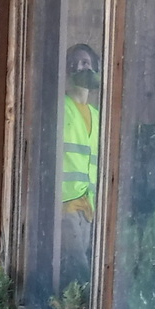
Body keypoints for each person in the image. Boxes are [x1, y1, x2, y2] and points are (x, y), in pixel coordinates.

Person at [59, 42, 102, 287]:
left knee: (73, 270)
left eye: (85, 62)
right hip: (64, 204)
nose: (80, 67)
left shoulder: (97, 115)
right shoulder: (60, 108)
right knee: (79, 270)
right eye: (73, 63)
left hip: (89, 204)